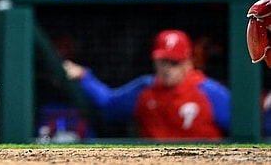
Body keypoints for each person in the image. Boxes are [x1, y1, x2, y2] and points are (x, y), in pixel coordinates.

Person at [63, 29, 230, 139]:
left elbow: (248, 128)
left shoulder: (210, 93)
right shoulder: (144, 90)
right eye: (163, 62)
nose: (167, 69)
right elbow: (109, 104)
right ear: (155, 62)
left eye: (174, 63)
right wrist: (84, 76)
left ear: (188, 63)